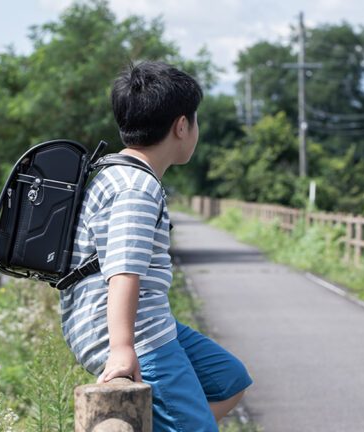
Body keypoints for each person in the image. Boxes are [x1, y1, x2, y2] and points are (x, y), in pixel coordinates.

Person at [60, 60, 252, 431]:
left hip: (148, 323)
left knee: (228, 379)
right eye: (195, 120)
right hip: (136, 334)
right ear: (182, 126)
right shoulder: (136, 188)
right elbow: (123, 270)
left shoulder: (114, 171)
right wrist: (122, 348)